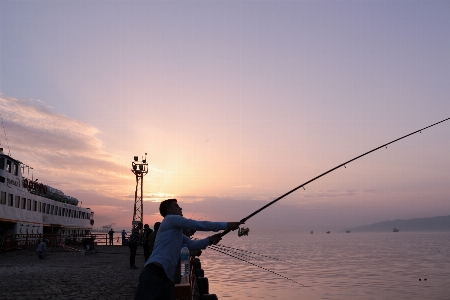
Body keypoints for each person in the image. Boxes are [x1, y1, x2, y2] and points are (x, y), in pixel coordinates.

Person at [134, 199, 242, 300]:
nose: (180, 208)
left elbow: (191, 244)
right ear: (169, 210)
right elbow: (198, 225)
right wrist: (227, 225)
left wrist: (209, 240)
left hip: (166, 277)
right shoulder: (170, 219)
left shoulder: (177, 233)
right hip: (154, 273)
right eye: (177, 206)